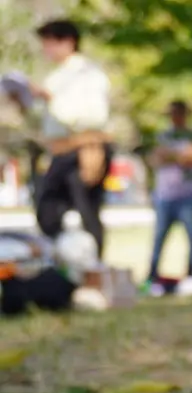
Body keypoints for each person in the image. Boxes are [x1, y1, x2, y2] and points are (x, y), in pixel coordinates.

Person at [29, 19, 113, 260]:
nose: (46, 49)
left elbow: (92, 116)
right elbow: (48, 122)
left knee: (87, 210)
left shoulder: (87, 74)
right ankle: (64, 261)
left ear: (67, 42)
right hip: (60, 150)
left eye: (49, 43)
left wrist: (52, 99)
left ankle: (93, 268)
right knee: (48, 212)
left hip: (84, 148)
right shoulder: (56, 76)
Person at [147, 101, 192, 281]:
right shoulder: (163, 135)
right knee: (159, 237)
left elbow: (191, 158)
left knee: (191, 237)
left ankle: (191, 275)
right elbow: (156, 158)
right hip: (165, 194)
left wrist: (170, 156)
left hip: (187, 194)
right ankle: (152, 275)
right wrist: (177, 156)